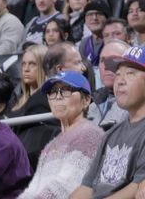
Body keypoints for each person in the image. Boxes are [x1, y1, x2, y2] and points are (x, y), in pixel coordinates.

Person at [71, 46, 145, 199]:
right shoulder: (112, 133)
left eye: (130, 74)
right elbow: (87, 187)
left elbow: (139, 190)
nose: (119, 81)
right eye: (118, 74)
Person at [19, 71, 104, 199]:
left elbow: (66, 186)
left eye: (66, 90)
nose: (58, 97)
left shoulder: (90, 134)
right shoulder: (50, 146)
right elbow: (33, 189)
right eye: (53, 92)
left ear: (86, 100)